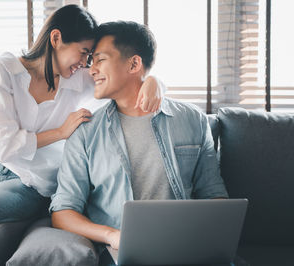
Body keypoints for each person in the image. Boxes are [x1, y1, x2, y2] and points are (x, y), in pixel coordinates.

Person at [0, 5, 162, 266]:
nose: (86, 63)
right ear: (56, 39)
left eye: (90, 57)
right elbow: (1, 146)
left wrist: (155, 82)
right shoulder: (5, 71)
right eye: (83, 53)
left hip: (29, 181)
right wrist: (60, 132)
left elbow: (125, 78)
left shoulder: (77, 80)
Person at [49, 21, 228, 265]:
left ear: (134, 64)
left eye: (100, 60)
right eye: (90, 61)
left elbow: (213, 194)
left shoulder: (192, 119)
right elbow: (62, 212)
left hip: (184, 250)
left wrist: (210, 239)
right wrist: (112, 236)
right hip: (120, 255)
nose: (91, 70)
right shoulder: (85, 132)